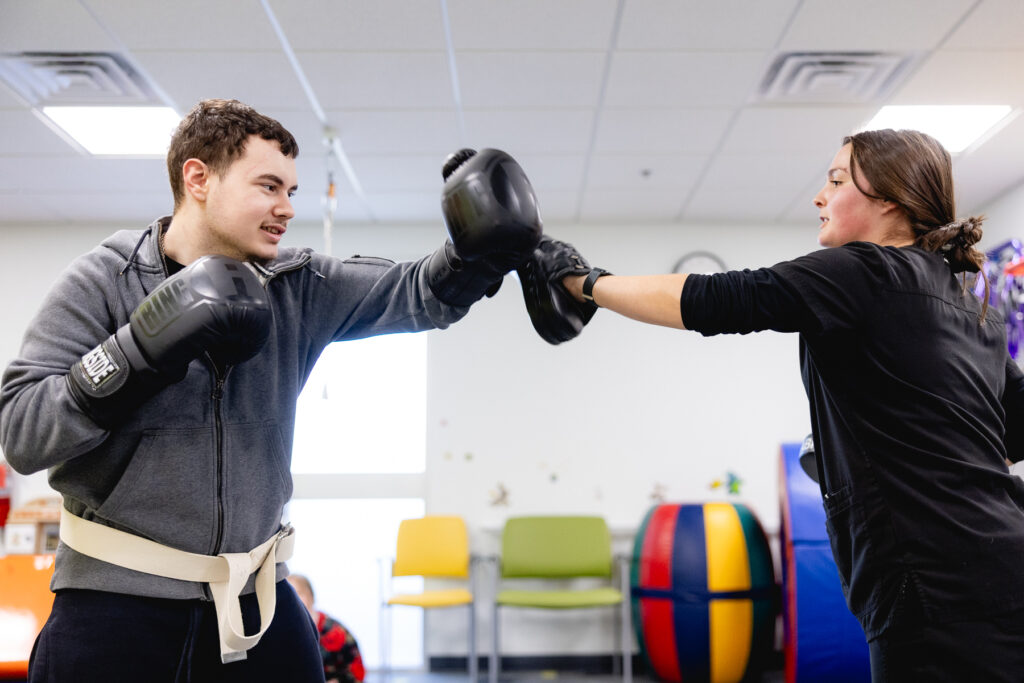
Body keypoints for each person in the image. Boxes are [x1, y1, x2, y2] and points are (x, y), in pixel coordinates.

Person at [0, 98, 554, 682]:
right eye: (269, 186)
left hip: (257, 604)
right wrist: (136, 352)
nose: (287, 208)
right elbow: (23, 433)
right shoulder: (102, 282)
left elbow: (413, 291)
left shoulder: (296, 285)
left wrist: (472, 254)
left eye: (291, 190)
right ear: (198, 179)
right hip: (116, 604)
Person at [556, 129, 1024, 682]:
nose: (819, 197)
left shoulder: (863, 271)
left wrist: (582, 283)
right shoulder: (976, 308)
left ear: (891, 200)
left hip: (932, 590)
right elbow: (1011, 434)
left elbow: (711, 300)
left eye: (836, 180)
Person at [286, 574, 364, 683]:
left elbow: (357, 672)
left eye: (298, 593)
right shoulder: (283, 633)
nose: (293, 600)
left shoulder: (336, 632)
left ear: (310, 596)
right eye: (288, 596)